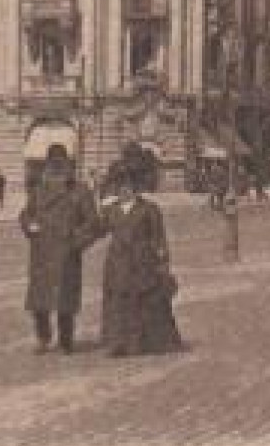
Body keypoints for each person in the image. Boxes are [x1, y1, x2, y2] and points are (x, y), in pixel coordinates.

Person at [18, 149, 101, 354]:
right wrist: (30, 227)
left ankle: (66, 340)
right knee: (40, 302)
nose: (56, 167)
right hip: (42, 253)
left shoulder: (80, 191)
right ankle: (43, 338)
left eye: (60, 163)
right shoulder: (38, 191)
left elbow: (93, 224)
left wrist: (76, 243)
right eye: (52, 163)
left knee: (66, 301)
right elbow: (25, 215)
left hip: (66, 253)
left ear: (68, 164)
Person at [98, 167, 183, 357]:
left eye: (128, 187)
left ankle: (144, 343)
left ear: (136, 188)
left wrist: (163, 263)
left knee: (144, 302)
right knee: (119, 303)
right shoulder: (110, 210)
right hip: (117, 263)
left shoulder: (150, 209)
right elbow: (99, 230)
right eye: (120, 187)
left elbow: (159, 238)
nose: (124, 191)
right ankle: (119, 344)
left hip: (143, 262)